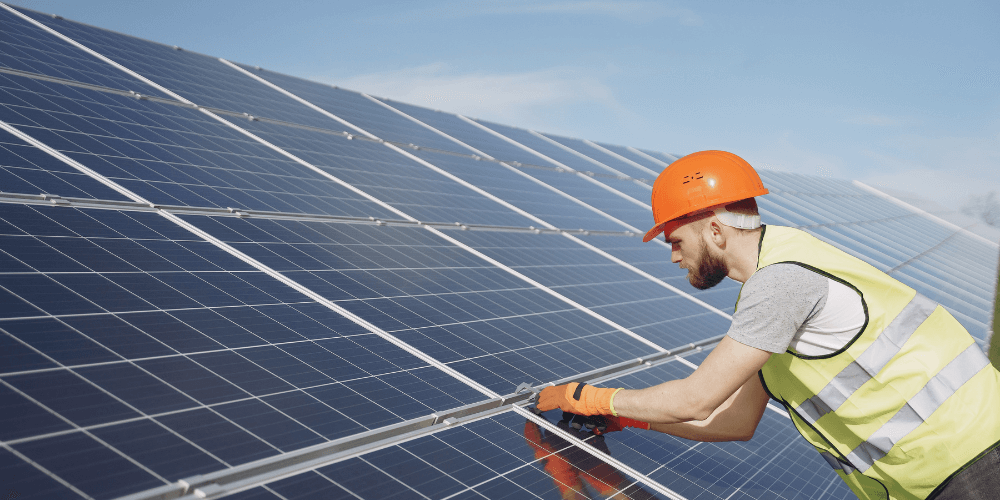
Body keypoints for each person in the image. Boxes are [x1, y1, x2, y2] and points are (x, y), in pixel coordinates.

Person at [535, 151, 1000, 500]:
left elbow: (697, 398)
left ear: (715, 230)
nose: (674, 255)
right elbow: (732, 421)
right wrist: (628, 416)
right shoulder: (782, 273)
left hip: (972, 465)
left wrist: (595, 398)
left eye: (676, 240)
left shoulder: (781, 283)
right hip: (947, 472)